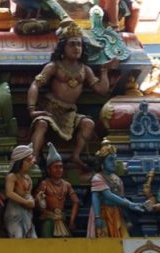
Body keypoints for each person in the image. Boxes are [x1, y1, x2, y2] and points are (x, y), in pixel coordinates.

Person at [27, 22, 114, 166]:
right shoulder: (54, 66)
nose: (76, 48)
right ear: (63, 47)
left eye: (79, 45)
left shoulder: (85, 70)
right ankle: (34, 157)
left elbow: (101, 90)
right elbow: (35, 84)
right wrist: (32, 110)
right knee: (41, 123)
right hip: (51, 109)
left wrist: (104, 71)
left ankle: (76, 155)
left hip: (70, 113)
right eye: (72, 44)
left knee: (88, 123)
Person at [87, 140, 144, 238]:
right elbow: (105, 196)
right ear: (102, 163)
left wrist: (134, 204)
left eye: (115, 159)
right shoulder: (97, 178)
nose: (114, 163)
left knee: (122, 238)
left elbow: (121, 197)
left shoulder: (117, 179)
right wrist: (97, 217)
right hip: (103, 213)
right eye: (110, 160)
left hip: (116, 213)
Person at [35, 144, 80, 238]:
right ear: (48, 169)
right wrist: (43, 211)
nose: (59, 170)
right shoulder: (45, 184)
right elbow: (37, 199)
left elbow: (76, 201)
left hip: (62, 219)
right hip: (48, 218)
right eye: (55, 167)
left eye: (61, 167)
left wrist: (72, 220)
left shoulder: (66, 184)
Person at [4, 144, 38, 238]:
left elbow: (28, 193)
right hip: (15, 212)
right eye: (28, 160)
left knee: (32, 238)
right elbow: (9, 193)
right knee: (17, 237)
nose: (32, 162)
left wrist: (36, 199)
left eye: (32, 159)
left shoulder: (28, 177)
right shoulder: (12, 177)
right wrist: (26, 202)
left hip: (26, 212)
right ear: (19, 162)